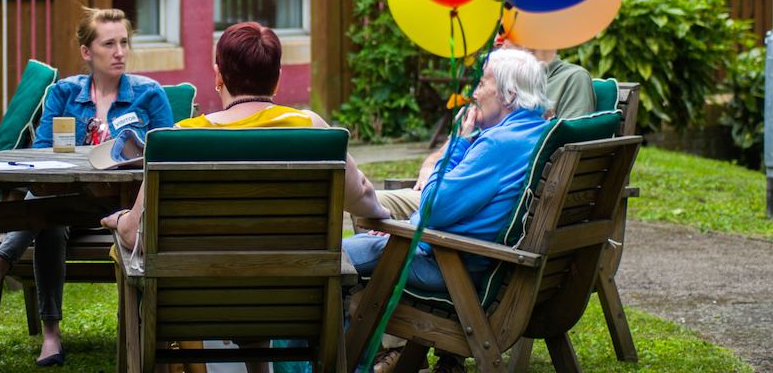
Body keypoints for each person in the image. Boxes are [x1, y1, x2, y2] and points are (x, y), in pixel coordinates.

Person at [102, 21, 390, 373]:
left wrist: (119, 221)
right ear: (278, 77)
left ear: (218, 75)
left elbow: (135, 235)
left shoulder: (179, 139)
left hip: (194, 302)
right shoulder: (311, 129)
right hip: (294, 299)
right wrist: (384, 211)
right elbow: (362, 198)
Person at [0, 7, 174, 366]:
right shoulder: (63, 93)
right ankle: (51, 335)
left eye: (124, 43)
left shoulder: (149, 94)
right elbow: (41, 155)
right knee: (50, 222)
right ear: (87, 52)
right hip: (67, 199)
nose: (119, 52)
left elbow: (166, 153)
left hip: (123, 208)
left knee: (45, 213)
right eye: (109, 43)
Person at [343, 48, 550, 373]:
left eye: (482, 83)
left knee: (335, 258)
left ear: (509, 94)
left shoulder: (497, 145)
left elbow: (432, 208)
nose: (475, 93)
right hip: (480, 262)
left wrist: (460, 140)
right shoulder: (536, 134)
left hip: (453, 268)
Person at [376, 38, 595, 223]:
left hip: (480, 198)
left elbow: (569, 158)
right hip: (459, 187)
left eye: (503, 31)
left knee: (371, 212)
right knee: (373, 203)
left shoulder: (567, 81)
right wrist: (430, 168)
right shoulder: (492, 89)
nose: (496, 40)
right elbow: (449, 149)